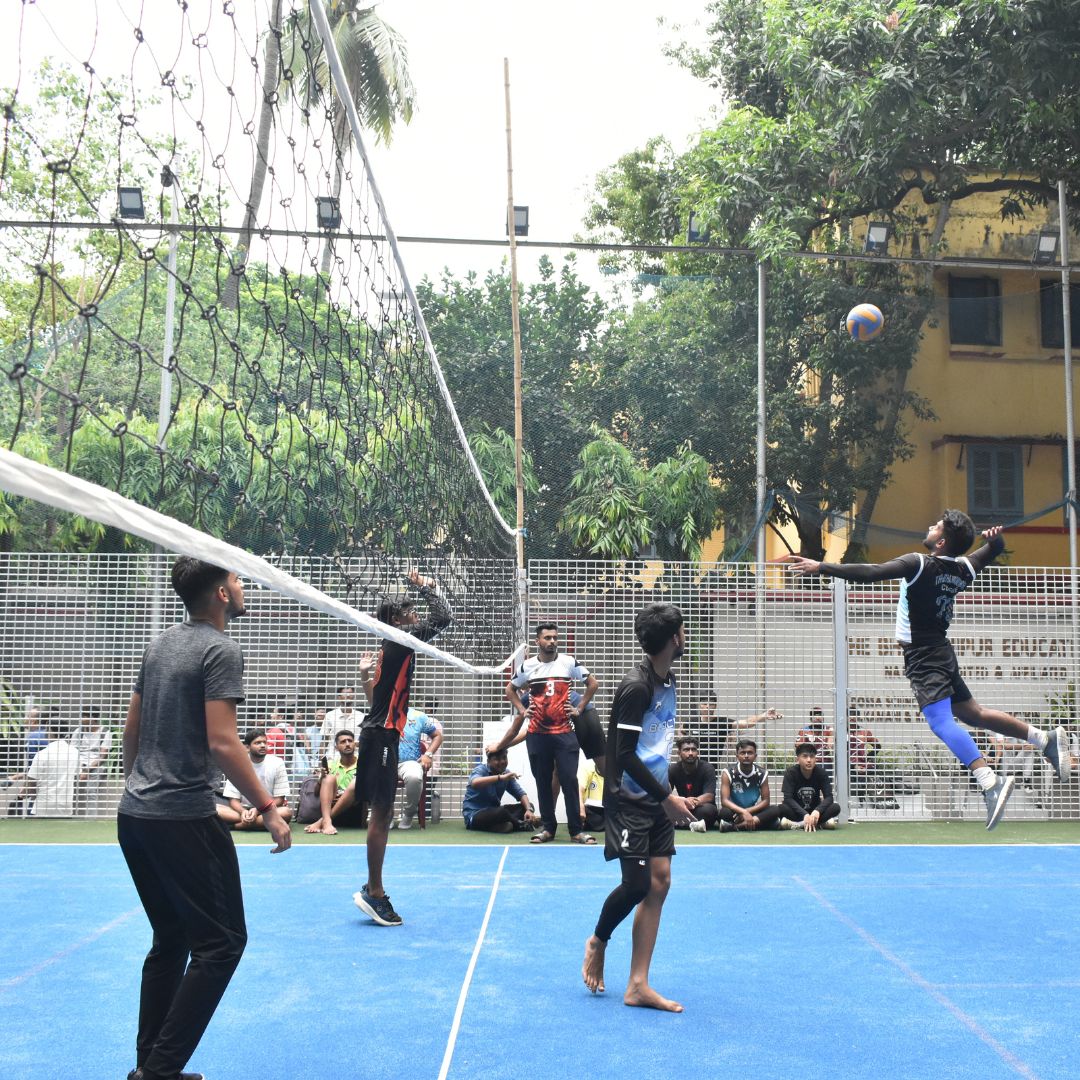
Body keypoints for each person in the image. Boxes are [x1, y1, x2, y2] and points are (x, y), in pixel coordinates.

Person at [787, 512, 1072, 830]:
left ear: (941, 541)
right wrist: (996, 541)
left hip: (924, 657)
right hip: (941, 652)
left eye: (935, 526)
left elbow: (872, 572)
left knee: (941, 723)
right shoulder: (963, 569)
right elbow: (990, 551)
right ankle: (1044, 738)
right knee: (973, 713)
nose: (929, 527)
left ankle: (989, 781)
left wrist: (821, 566)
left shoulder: (918, 564)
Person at [117, 557, 290, 1080]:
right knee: (222, 944)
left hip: (136, 815)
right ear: (221, 593)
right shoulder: (221, 649)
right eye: (236, 579)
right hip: (183, 818)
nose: (242, 586)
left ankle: (149, 1067)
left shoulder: (159, 644)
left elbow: (131, 730)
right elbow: (223, 741)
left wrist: (139, 786)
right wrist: (268, 808)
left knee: (171, 938)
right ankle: (160, 1073)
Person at [582, 602, 695, 1012]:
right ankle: (598, 940)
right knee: (636, 886)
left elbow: (652, 746)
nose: (686, 635)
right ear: (673, 638)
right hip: (630, 800)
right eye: (683, 630)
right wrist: (666, 798)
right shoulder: (637, 687)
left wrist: (665, 793)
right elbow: (625, 754)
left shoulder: (668, 679)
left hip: (657, 794)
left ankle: (637, 984)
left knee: (660, 882)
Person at [350, 569, 451, 927]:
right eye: (410, 612)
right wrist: (425, 585)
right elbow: (443, 617)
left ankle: (373, 887)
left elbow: (377, 700)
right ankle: (375, 893)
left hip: (381, 735)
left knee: (382, 812)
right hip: (381, 736)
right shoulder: (399, 641)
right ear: (396, 620)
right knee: (381, 814)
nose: (416, 616)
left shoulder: (390, 648)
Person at [497, 622, 599, 845]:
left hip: (565, 733)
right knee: (543, 782)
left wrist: (579, 708)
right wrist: (522, 710)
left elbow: (593, 683)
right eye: (547, 638)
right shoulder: (528, 666)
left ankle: (576, 831)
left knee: (569, 780)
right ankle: (548, 829)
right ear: (538, 641)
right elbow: (510, 689)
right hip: (537, 735)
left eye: (554, 637)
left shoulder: (568, 662)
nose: (552, 641)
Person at [215, 729, 293, 831]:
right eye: (258, 743)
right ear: (247, 747)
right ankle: (259, 823)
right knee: (215, 809)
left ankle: (237, 826)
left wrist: (258, 811)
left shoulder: (277, 763)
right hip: (242, 811)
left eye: (264, 742)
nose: (263, 745)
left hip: (267, 810)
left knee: (286, 812)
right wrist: (243, 812)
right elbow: (233, 800)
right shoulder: (237, 764)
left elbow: (279, 799)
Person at [462, 747, 540, 833]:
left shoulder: (506, 773)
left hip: (494, 812)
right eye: (497, 759)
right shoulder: (480, 770)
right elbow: (475, 783)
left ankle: (500, 826)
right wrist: (500, 777)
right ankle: (520, 824)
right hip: (474, 815)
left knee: (528, 805)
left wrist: (529, 810)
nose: (502, 761)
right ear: (488, 761)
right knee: (501, 812)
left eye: (504, 758)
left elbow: (520, 793)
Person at [303, 729, 365, 835]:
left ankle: (322, 821)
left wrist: (344, 795)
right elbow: (316, 793)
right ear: (336, 747)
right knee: (328, 778)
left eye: (350, 741)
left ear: (355, 745)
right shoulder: (331, 764)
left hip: (354, 806)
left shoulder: (363, 764)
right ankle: (327, 821)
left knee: (356, 783)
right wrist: (321, 779)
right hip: (330, 804)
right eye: (343, 742)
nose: (347, 744)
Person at [719, 738, 785, 831]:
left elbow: (766, 801)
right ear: (737, 756)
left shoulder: (762, 773)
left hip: (753, 811)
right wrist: (742, 812)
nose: (746, 756)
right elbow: (724, 801)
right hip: (735, 812)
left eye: (750, 753)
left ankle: (735, 827)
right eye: (743, 753)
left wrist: (747, 812)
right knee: (724, 812)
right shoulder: (728, 772)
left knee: (775, 809)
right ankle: (759, 824)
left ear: (755, 756)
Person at [396, 700, 443, 830]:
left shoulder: (418, 716)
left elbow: (437, 736)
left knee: (415, 777)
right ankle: (386, 814)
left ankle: (409, 813)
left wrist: (428, 754)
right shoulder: (382, 714)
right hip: (385, 761)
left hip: (409, 762)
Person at [696, 692, 782, 760]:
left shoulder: (721, 722)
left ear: (715, 706)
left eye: (710, 704)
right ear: (700, 705)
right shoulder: (691, 722)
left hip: (711, 768)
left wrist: (764, 716)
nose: (707, 706)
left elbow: (745, 723)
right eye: (704, 703)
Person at [23, 723, 83, 818]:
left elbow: (31, 782)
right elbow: (78, 775)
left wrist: (28, 793)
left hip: (43, 806)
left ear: (50, 731)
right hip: (66, 806)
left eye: (47, 729)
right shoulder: (75, 753)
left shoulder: (42, 754)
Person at [780, 742, 842, 831]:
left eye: (812, 756)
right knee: (782, 808)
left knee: (835, 807)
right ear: (798, 759)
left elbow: (829, 797)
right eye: (805, 756)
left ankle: (798, 825)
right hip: (797, 813)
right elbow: (788, 799)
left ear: (815, 759)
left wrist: (817, 811)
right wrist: (804, 814)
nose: (809, 760)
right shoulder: (790, 773)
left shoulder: (821, 773)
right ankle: (820, 824)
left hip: (815, 813)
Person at [668, 735, 718, 832]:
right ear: (679, 753)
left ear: (697, 752)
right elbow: (667, 793)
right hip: (682, 806)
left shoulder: (708, 768)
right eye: (686, 750)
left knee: (709, 811)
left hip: (700, 806)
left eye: (693, 750)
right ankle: (694, 824)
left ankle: (681, 823)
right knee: (662, 809)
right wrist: (680, 802)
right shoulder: (673, 769)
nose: (690, 753)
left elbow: (709, 796)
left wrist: (692, 802)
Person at [71, 705, 114, 816]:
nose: (82, 719)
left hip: (95, 765)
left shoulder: (105, 732)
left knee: (90, 790)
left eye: (84, 716)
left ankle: (91, 817)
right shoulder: (78, 731)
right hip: (79, 763)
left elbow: (102, 756)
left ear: (93, 718)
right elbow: (73, 752)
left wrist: (87, 770)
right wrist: (81, 767)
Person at [318, 687, 363, 763]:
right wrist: (321, 761)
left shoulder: (360, 716)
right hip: (334, 759)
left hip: (355, 760)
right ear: (339, 697)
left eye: (350, 693)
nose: (348, 695)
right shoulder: (330, 715)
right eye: (345, 693)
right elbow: (324, 740)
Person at [795, 706, 834, 773]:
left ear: (823, 717)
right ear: (811, 718)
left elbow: (830, 744)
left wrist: (830, 742)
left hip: (824, 762)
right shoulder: (804, 731)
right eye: (815, 715)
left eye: (819, 715)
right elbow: (798, 747)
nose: (817, 717)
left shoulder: (829, 730)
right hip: (808, 762)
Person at [579, 757, 605, 832]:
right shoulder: (587, 767)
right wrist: (581, 807)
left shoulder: (616, 769)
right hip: (590, 809)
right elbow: (579, 790)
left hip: (608, 809)